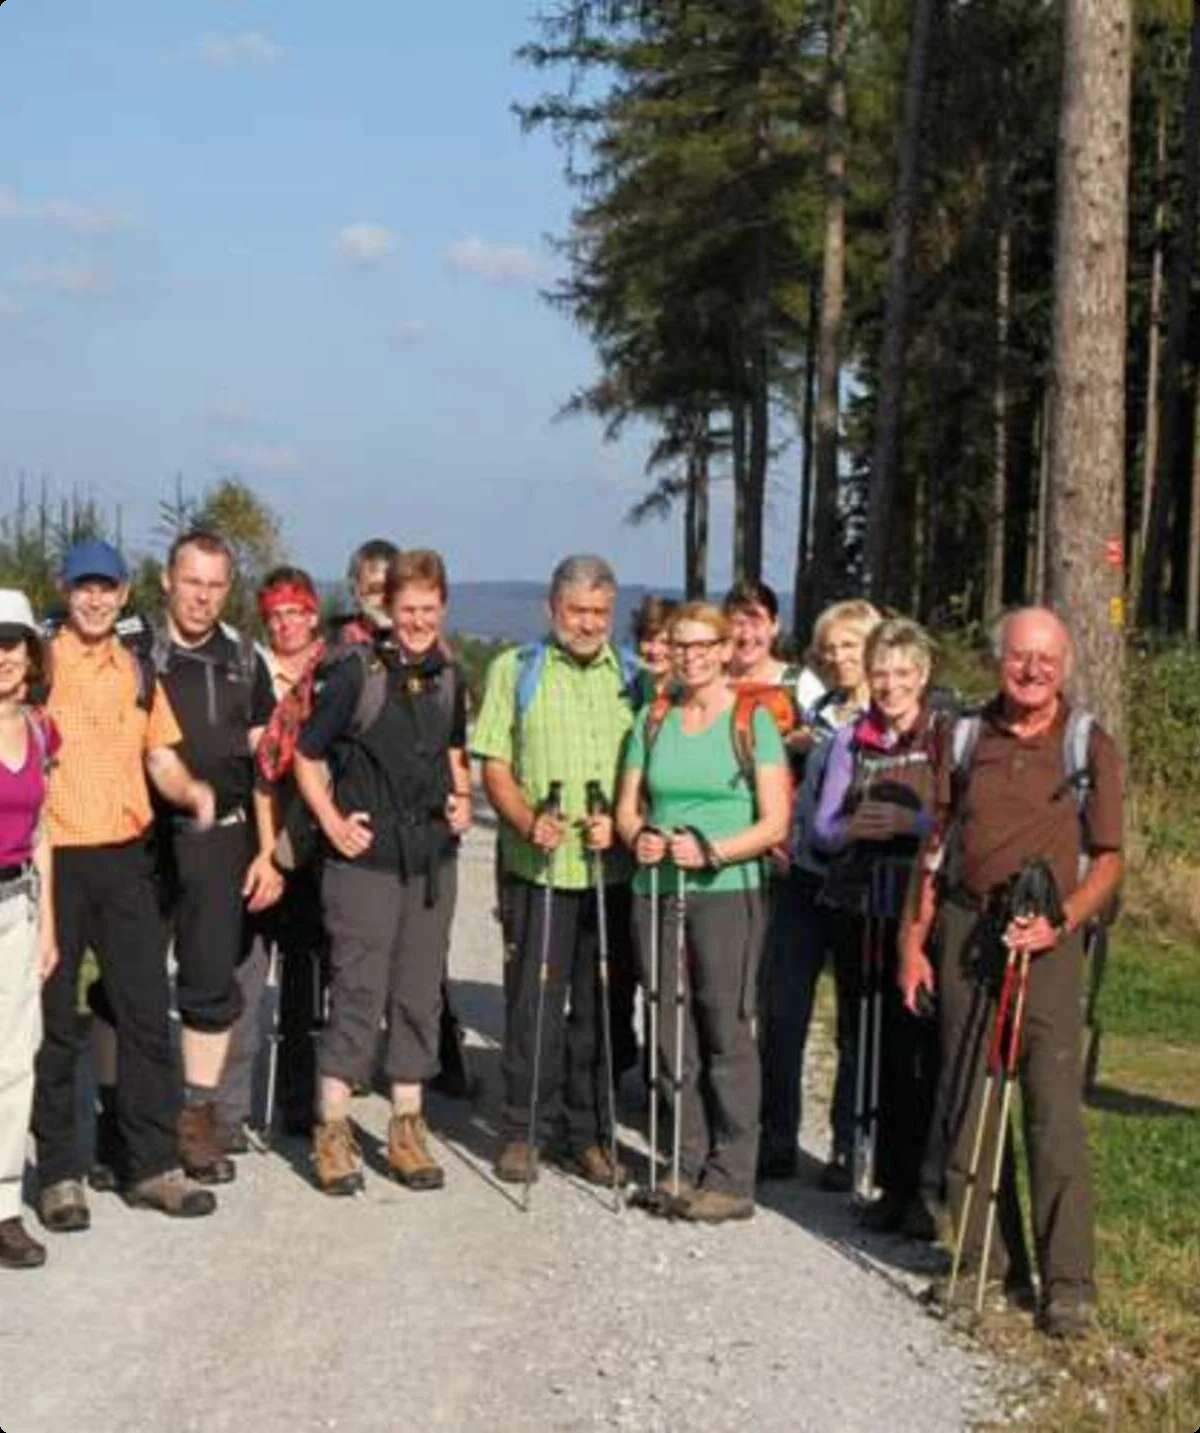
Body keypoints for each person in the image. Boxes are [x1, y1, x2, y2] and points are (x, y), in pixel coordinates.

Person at [900, 607, 1123, 1338]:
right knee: (968, 1098)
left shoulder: (1090, 745)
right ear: (1000, 660)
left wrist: (1061, 919)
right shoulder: (962, 735)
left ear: (1065, 664)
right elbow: (935, 844)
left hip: (1049, 939)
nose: (1032, 670)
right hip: (969, 927)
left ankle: (1069, 1283)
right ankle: (982, 1263)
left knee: (1050, 1107)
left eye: (1047, 659)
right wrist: (914, 940)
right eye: (1020, 656)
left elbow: (1110, 858)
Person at [34, 539, 217, 1226]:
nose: (95, 599)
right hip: (55, 860)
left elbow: (159, 755)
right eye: (83, 586)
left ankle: (152, 1164)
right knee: (54, 1020)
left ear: (124, 591)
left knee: (144, 1011)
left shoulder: (137, 671)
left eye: (107, 587)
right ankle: (58, 1174)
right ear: (64, 586)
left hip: (125, 858)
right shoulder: (39, 665)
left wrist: (191, 791)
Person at [295, 549, 471, 1194]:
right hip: (364, 864)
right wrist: (333, 822)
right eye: (407, 610)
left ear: (443, 607)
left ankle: (406, 1127)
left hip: (428, 861)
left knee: (419, 995)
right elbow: (306, 756)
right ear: (385, 611)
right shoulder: (355, 674)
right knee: (358, 995)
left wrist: (462, 797)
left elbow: (454, 751)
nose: (419, 621)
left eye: (429, 609)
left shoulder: (453, 675)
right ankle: (334, 1132)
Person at [616, 601, 790, 1221]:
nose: (689, 656)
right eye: (679, 645)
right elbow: (628, 809)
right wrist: (640, 836)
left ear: (722, 650)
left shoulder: (752, 720)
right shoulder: (653, 717)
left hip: (728, 889)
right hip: (657, 886)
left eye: (701, 646)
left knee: (725, 1024)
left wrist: (712, 849)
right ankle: (680, 1159)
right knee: (667, 1023)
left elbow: (774, 821)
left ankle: (732, 1173)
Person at [473, 554, 634, 1188]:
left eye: (599, 612)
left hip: (606, 871)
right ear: (552, 609)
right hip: (538, 867)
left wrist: (622, 820)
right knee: (534, 1005)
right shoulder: (516, 670)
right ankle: (522, 1130)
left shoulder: (633, 675)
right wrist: (522, 819)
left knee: (598, 1009)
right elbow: (494, 763)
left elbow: (644, 767)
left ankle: (588, 1134)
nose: (588, 624)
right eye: (577, 611)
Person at [153, 529, 282, 1183]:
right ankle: (127, 1117)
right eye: (191, 580)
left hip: (221, 836)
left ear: (227, 589)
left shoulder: (243, 659)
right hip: (139, 834)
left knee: (208, 983)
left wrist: (268, 849)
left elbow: (267, 763)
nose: (201, 595)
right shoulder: (131, 648)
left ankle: (198, 1121)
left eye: (214, 584)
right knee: (129, 985)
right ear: (166, 581)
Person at [810, 618, 941, 1235]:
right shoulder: (849, 740)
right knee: (865, 1040)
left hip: (919, 907)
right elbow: (824, 828)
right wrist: (853, 829)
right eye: (880, 674)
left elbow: (951, 817)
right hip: (861, 905)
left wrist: (908, 826)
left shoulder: (944, 733)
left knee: (916, 1047)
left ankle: (921, 1184)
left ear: (922, 676)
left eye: (901, 675)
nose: (889, 686)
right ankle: (875, 1174)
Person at [758, 598, 880, 1184]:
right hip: (801, 876)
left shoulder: (888, 719)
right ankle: (776, 1134)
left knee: (854, 1016)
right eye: (829, 648)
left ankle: (847, 1142)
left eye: (850, 646)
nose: (837, 658)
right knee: (782, 1008)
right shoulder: (815, 713)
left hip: (858, 883)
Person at [219, 566, 328, 1145]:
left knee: (304, 985)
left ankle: (298, 1104)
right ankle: (230, 1109)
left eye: (295, 613)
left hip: (312, 844)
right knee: (245, 978)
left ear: (312, 613)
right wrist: (266, 853)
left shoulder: (331, 672)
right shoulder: (252, 670)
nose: (286, 624)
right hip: (258, 844)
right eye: (276, 616)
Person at [0, 591, 59, 1267]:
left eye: (13, 642)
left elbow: (44, 832)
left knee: (15, 1060)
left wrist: (47, 927)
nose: (4, 656)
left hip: (18, 905)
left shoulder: (43, 731)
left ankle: (5, 1203)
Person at [724, 580, 824, 714]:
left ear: (774, 625)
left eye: (756, 624)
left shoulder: (800, 685)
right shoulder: (708, 684)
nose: (746, 636)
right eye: (738, 623)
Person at [630, 594, 677, 707]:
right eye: (648, 640)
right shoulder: (634, 687)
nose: (655, 651)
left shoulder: (688, 693)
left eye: (665, 642)